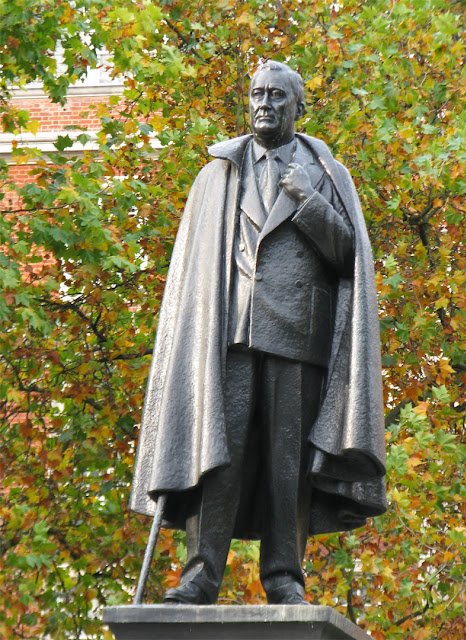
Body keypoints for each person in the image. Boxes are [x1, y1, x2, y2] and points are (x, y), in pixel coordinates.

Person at [130, 60, 386, 606]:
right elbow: (193, 272)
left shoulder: (326, 174)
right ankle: (201, 574)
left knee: (288, 463)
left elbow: (348, 258)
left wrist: (307, 202)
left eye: (276, 96)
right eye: (256, 95)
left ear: (299, 107)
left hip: (298, 338)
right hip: (227, 338)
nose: (263, 104)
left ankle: (284, 577)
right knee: (217, 456)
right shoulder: (218, 173)